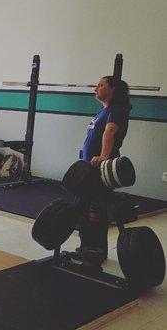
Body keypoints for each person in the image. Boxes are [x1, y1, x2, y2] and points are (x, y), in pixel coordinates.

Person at [77, 76, 131, 263]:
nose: (96, 88)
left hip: (100, 168)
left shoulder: (117, 109)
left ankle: (96, 250)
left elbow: (110, 132)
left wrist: (104, 158)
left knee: (96, 209)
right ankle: (87, 247)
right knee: (83, 208)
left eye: (100, 85)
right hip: (89, 167)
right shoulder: (104, 111)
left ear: (113, 89)